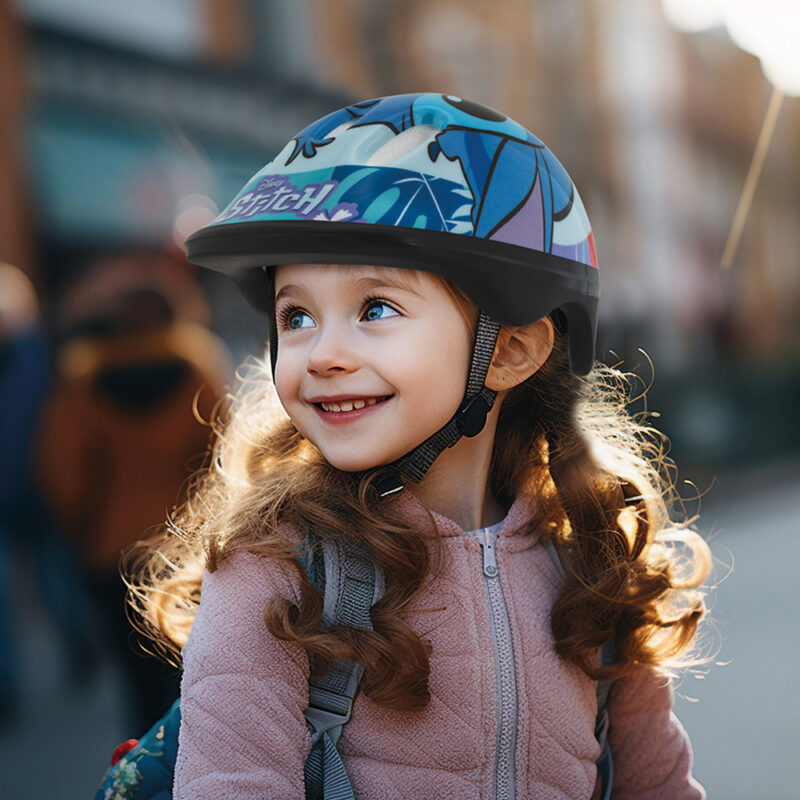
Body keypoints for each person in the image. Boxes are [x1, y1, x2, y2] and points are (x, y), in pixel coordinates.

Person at [129, 93, 711, 799]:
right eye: (297, 316)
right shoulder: (276, 571)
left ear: (511, 350)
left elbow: (658, 786)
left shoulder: (591, 559)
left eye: (375, 308)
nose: (323, 353)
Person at [37, 262, 232, 732]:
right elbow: (225, 458)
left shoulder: (82, 381)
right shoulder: (200, 370)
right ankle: (189, 755)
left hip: (112, 552)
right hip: (184, 548)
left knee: (135, 678)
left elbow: (63, 473)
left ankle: (142, 760)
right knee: (186, 669)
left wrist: (80, 533)